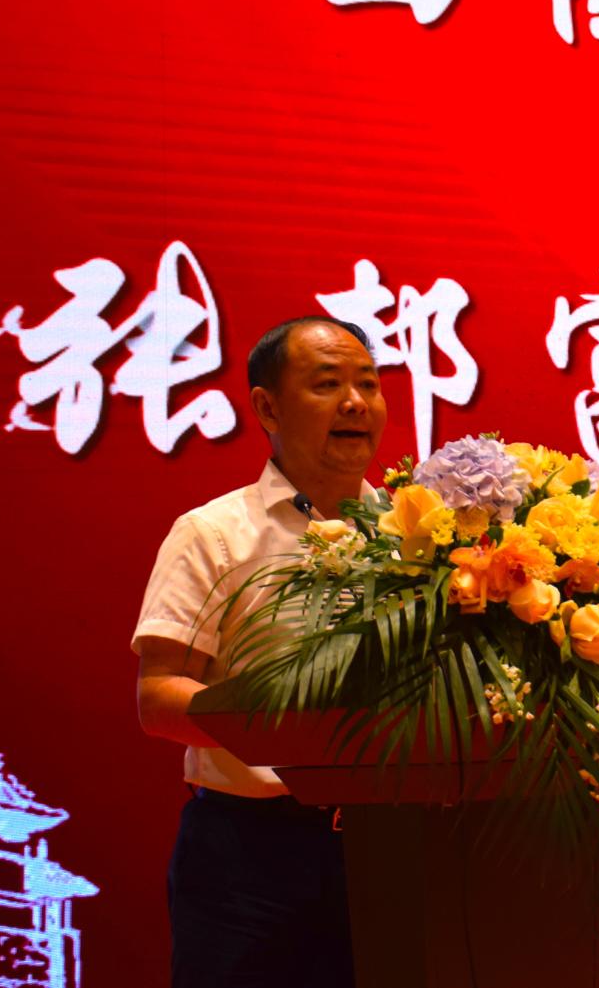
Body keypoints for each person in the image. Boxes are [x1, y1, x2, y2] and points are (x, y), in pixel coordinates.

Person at [132, 316, 387, 988]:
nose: (355, 403)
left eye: (368, 384)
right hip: (249, 855)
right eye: (327, 384)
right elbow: (158, 695)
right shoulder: (213, 533)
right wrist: (297, 729)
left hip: (393, 849)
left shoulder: (418, 536)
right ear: (267, 408)